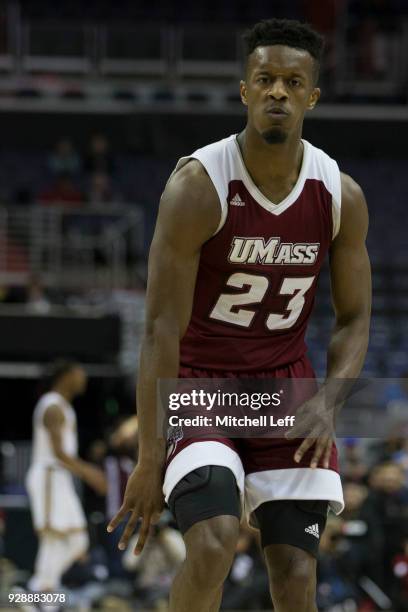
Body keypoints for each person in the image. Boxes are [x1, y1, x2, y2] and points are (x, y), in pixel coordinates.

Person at [108, 18, 371, 612]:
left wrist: (330, 402)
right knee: (214, 545)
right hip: (202, 385)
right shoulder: (199, 187)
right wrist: (150, 459)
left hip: (285, 390)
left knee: (297, 575)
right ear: (246, 91)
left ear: (312, 96)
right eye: (266, 79)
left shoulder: (339, 195)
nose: (278, 91)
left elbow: (355, 319)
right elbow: (159, 329)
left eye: (292, 81)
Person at [26, 360, 106, 594]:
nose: (84, 378)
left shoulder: (62, 406)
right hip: (50, 476)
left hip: (60, 478)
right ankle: (40, 593)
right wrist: (90, 473)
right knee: (54, 540)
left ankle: (41, 589)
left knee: (77, 541)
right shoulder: (52, 406)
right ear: (66, 375)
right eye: (79, 373)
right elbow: (59, 453)